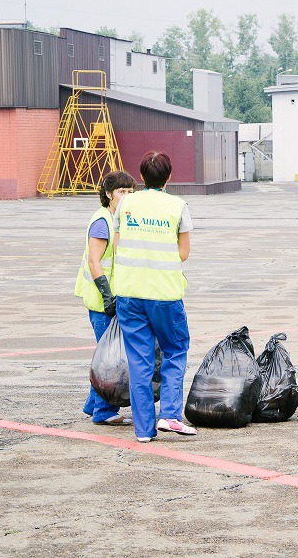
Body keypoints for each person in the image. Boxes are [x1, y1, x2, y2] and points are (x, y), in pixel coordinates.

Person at [112, 152, 196, 442]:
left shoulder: (125, 203)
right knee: (174, 350)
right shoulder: (177, 206)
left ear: (140, 177)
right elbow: (183, 253)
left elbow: (119, 243)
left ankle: (144, 429)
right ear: (169, 177)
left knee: (139, 360)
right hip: (164, 293)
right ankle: (170, 415)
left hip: (129, 292)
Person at [75, 170, 136, 426]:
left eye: (130, 192)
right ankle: (102, 412)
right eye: (121, 192)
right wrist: (108, 296)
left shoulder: (121, 219)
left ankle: (93, 404)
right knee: (109, 360)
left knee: (106, 354)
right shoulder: (102, 221)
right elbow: (94, 261)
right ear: (108, 194)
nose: (126, 197)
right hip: (101, 302)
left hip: (114, 299)